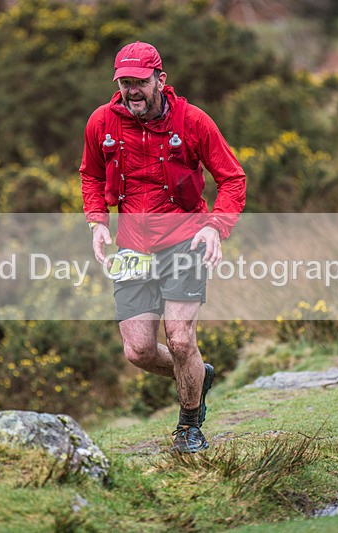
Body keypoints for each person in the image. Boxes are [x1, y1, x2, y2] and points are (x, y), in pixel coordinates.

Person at [79, 41, 246, 453]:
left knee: (180, 339)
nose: (131, 91)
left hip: (185, 239)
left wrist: (215, 227)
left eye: (139, 82)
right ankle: (196, 375)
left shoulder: (193, 121)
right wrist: (97, 222)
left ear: (160, 80)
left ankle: (189, 427)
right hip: (133, 247)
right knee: (137, 350)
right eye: (124, 83)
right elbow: (90, 175)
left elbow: (233, 178)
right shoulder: (101, 122)